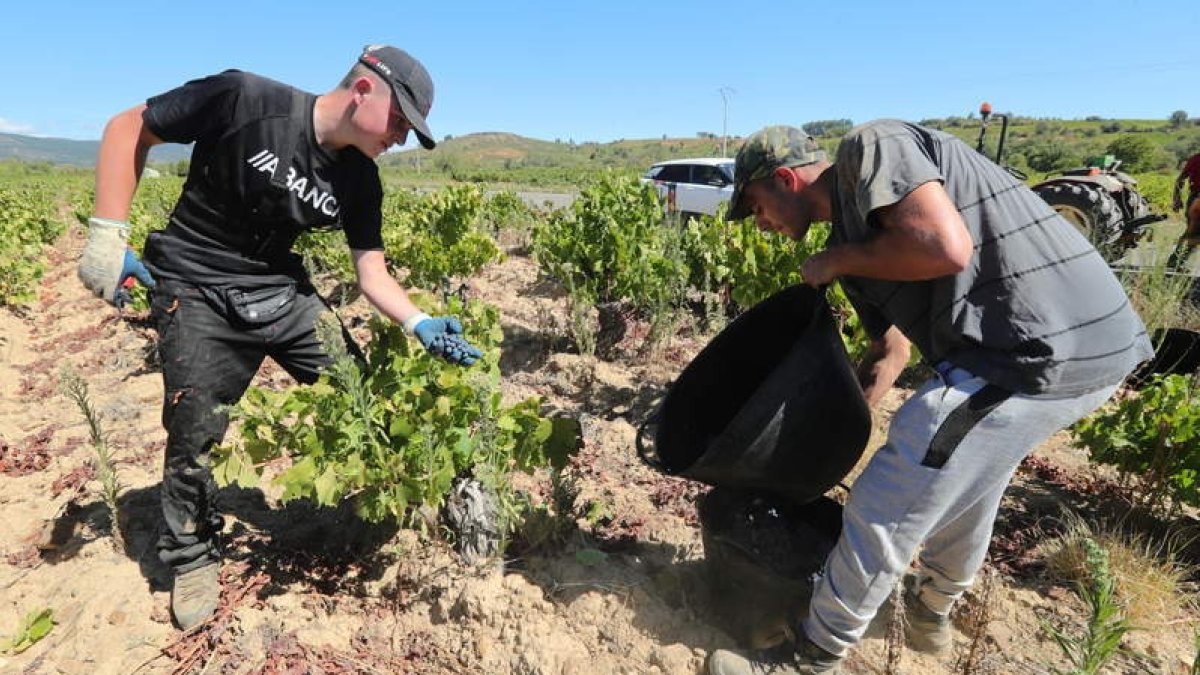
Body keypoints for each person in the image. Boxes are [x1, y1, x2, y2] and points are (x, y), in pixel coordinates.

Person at [706, 123, 1154, 675]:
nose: (761, 224)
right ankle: (929, 611)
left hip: (1040, 349)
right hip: (1064, 351)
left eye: (755, 206)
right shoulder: (850, 244)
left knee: (894, 486)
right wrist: (819, 441)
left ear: (784, 179)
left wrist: (837, 262)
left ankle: (809, 657)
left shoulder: (871, 147)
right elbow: (889, 352)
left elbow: (945, 247)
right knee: (966, 477)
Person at [78, 45, 482, 631]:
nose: (400, 137)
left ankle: (405, 489)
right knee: (194, 432)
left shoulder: (360, 180)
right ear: (365, 90)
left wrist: (418, 322)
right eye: (400, 120)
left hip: (279, 291)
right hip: (195, 284)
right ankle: (191, 556)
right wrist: (106, 234)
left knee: (358, 387)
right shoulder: (245, 98)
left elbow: (372, 273)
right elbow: (128, 127)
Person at [1168, 151, 1200, 269]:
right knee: (1193, 236)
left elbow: (1180, 179)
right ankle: (1175, 262)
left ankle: (1175, 262)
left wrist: (1176, 200)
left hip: (1195, 198)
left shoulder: (1195, 158)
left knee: (1191, 233)